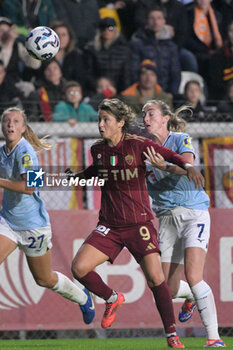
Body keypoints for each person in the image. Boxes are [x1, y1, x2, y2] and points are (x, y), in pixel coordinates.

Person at [66, 98, 205, 348]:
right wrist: (74, 178)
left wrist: (188, 166)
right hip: (110, 226)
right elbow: (96, 170)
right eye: (99, 119)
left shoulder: (138, 145)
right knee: (79, 268)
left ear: (120, 123)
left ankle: (171, 335)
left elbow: (171, 155)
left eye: (106, 120)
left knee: (156, 280)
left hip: (138, 225)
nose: (100, 124)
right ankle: (112, 298)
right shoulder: (98, 150)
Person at [0, 107, 95, 325]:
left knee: (44, 278)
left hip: (34, 225)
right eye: (6, 120)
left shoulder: (26, 152)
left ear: (23, 128)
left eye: (15, 121)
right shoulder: (2, 151)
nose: (10, 124)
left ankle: (82, 297)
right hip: (8, 222)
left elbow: (30, 187)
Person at [142, 99, 226, 348]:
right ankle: (191, 297)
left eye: (151, 114)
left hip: (192, 212)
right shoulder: (142, 150)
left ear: (165, 118)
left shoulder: (180, 138)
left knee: (193, 275)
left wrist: (165, 166)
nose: (146, 119)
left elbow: (187, 165)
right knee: (163, 286)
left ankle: (214, 338)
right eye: (144, 115)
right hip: (166, 218)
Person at [129, 6, 181, 97]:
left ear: (164, 21)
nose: (156, 22)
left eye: (159, 18)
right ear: (147, 21)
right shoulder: (137, 43)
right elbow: (133, 71)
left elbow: (175, 72)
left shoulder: (171, 46)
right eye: (152, 18)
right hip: (142, 94)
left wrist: (172, 93)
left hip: (166, 94)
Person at [84, 17, 130, 94]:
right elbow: (88, 73)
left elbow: (126, 76)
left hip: (118, 92)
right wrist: (99, 84)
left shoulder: (124, 50)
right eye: (103, 28)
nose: (106, 31)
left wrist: (121, 93)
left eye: (110, 28)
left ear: (116, 30)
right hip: (97, 91)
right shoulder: (92, 49)